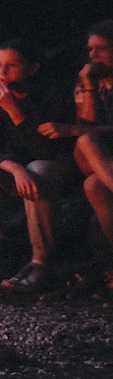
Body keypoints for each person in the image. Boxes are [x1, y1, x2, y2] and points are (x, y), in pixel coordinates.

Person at [0, 41, 78, 292]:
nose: (2, 72)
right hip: (16, 166)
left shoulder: (50, 93)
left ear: (32, 68)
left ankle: (39, 263)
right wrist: (15, 169)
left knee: (38, 169)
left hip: (54, 164)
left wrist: (15, 112)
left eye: (12, 65)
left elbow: (46, 151)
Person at [70, 22, 113, 287]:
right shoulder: (87, 81)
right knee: (86, 139)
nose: (93, 56)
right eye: (90, 49)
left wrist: (72, 130)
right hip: (96, 155)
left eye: (101, 49)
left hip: (104, 166)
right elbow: (86, 127)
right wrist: (89, 86)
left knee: (94, 186)